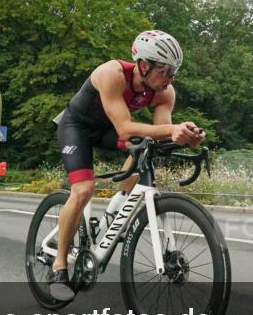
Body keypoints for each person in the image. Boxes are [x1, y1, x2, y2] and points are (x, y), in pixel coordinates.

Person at [49, 30, 204, 300]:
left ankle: (116, 208)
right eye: (165, 71)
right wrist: (171, 130)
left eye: (174, 72)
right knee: (84, 190)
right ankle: (59, 265)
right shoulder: (113, 73)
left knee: (147, 147)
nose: (169, 79)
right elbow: (123, 128)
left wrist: (186, 137)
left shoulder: (165, 92)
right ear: (144, 65)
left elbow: (160, 130)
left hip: (108, 128)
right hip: (77, 127)